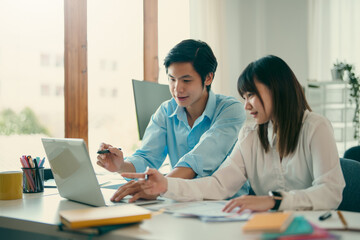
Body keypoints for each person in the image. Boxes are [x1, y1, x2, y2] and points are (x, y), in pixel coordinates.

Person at [122, 55, 346, 212]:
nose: (246, 106)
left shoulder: (315, 127)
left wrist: (275, 202)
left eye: (251, 95)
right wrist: (166, 185)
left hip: (315, 229)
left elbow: (331, 192)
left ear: (277, 89)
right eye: (244, 97)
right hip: (269, 230)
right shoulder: (250, 136)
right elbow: (219, 185)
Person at [97, 39, 247, 202]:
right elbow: (147, 157)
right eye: (172, 79)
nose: (177, 88)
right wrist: (121, 166)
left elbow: (199, 159)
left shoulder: (230, 110)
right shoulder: (165, 111)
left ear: (208, 78)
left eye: (186, 80)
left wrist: (161, 185)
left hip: (227, 204)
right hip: (182, 203)